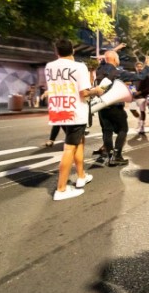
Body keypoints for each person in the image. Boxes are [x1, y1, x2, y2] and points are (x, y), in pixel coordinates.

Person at [45, 39, 104, 200]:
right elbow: (84, 93)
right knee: (69, 148)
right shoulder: (79, 67)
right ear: (73, 50)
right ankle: (61, 189)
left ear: (56, 52)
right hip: (75, 112)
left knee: (79, 143)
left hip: (59, 110)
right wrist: (97, 90)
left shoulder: (49, 67)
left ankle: (81, 176)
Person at [95, 51, 149, 166]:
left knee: (107, 131)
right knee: (123, 129)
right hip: (115, 106)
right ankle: (117, 155)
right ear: (115, 59)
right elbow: (141, 76)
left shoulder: (99, 70)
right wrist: (148, 66)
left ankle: (110, 156)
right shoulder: (119, 72)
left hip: (102, 105)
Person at [128, 60, 149, 135]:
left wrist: (140, 92)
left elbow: (148, 87)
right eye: (138, 67)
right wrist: (133, 91)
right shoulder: (133, 76)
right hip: (134, 97)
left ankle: (142, 127)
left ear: (143, 67)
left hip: (142, 96)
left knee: (142, 111)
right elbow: (131, 84)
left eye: (141, 66)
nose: (139, 68)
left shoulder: (146, 76)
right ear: (135, 68)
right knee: (132, 109)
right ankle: (139, 120)